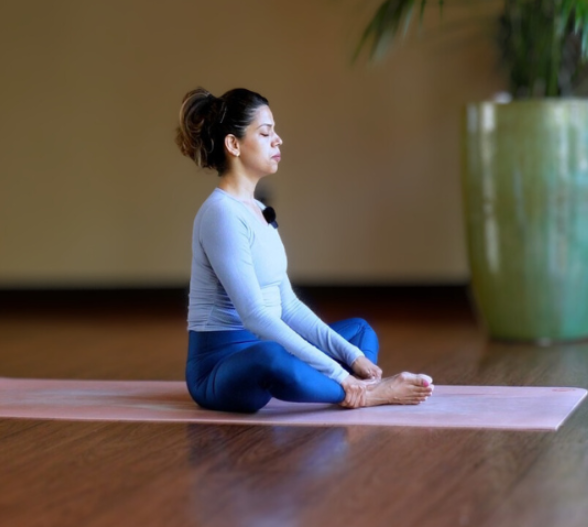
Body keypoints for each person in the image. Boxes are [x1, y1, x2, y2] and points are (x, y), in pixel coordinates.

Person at [175, 87, 434, 413]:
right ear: (233, 144)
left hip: (269, 344)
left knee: (358, 332)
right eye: (266, 132)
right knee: (271, 357)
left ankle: (342, 386)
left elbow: (289, 307)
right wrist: (341, 375)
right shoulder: (220, 214)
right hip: (221, 368)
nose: (277, 140)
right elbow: (255, 316)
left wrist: (352, 358)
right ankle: (366, 394)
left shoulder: (258, 208)